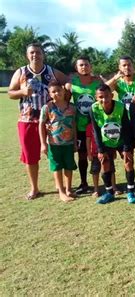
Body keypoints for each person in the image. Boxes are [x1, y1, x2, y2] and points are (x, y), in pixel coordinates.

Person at [8, 43, 68, 200]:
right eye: (32, 53)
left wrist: (67, 87)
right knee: (30, 155)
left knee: (56, 153)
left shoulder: (51, 71)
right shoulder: (21, 72)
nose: (35, 55)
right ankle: (34, 188)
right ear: (27, 55)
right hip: (28, 120)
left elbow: (67, 80)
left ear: (43, 54)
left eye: (38, 52)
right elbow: (10, 92)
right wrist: (21, 91)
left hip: (51, 120)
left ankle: (59, 184)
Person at [90, 84, 135, 204]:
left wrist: (127, 148)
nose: (104, 99)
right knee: (105, 164)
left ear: (112, 95)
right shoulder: (93, 109)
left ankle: (131, 192)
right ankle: (109, 193)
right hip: (106, 141)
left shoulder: (120, 107)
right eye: (101, 97)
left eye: (107, 96)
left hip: (122, 140)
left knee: (128, 162)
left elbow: (126, 128)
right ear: (96, 97)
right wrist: (100, 150)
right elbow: (95, 130)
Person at [65, 56, 102, 195]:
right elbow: (66, 100)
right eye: (81, 65)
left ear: (90, 66)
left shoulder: (97, 82)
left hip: (95, 126)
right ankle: (84, 182)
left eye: (86, 64)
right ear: (76, 68)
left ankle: (104, 182)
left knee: (99, 154)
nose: (84, 67)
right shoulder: (72, 84)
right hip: (80, 126)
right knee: (82, 156)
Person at [39, 81, 77, 202]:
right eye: (53, 92)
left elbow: (74, 124)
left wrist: (75, 142)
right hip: (54, 143)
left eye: (58, 91)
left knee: (69, 166)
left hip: (69, 143)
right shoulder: (47, 107)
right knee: (57, 167)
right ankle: (61, 191)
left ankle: (69, 189)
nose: (56, 93)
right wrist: (43, 144)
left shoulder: (71, 107)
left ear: (63, 90)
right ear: (49, 94)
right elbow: (41, 125)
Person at [85, 122, 121, 198]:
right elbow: (88, 140)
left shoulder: (106, 125)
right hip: (95, 153)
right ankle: (96, 189)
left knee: (111, 170)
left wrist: (114, 151)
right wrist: (89, 153)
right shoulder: (89, 126)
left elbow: (112, 138)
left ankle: (114, 187)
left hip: (108, 152)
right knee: (95, 171)